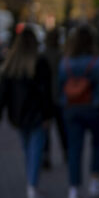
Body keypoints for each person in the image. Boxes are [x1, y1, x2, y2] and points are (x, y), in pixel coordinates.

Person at [0, 28, 54, 198]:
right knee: (34, 151)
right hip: (36, 114)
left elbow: (2, 92)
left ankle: (31, 184)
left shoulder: (12, 63)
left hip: (18, 115)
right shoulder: (39, 62)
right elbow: (46, 92)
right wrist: (48, 114)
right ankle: (32, 187)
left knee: (28, 150)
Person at [58, 25, 99, 198]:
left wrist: (63, 106)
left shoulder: (65, 62)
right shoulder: (98, 61)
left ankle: (74, 189)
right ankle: (95, 182)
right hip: (93, 108)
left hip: (72, 110)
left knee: (74, 149)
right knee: (98, 144)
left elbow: (60, 88)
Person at [41, 28, 68, 169]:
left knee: (46, 128)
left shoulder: (43, 55)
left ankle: (46, 155)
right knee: (62, 128)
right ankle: (66, 153)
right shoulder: (61, 55)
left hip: (46, 97)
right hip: (59, 96)